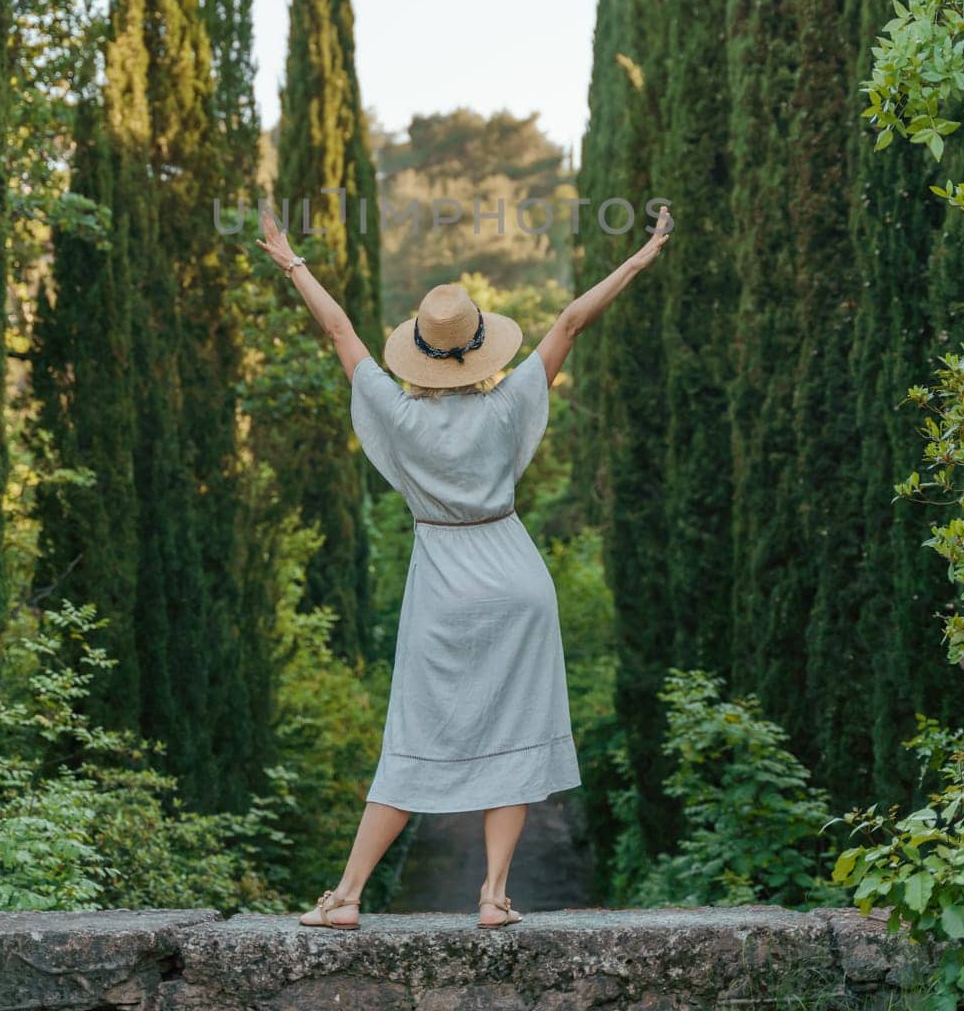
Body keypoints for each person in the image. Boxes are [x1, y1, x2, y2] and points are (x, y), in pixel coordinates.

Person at [255, 200, 675, 928]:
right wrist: (639, 258)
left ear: (416, 348)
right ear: (481, 345)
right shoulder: (510, 401)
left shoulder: (397, 412)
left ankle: (346, 896)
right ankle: (493, 896)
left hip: (442, 586)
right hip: (516, 576)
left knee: (415, 734)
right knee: (513, 730)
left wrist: (289, 258)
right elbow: (571, 320)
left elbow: (338, 328)